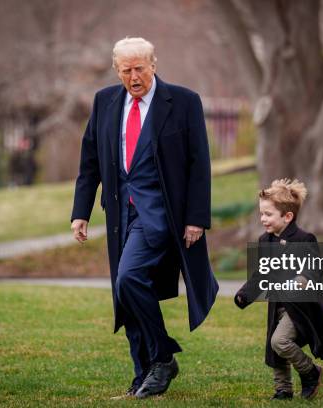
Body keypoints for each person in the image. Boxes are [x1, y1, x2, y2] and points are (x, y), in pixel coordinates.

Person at [70, 37, 218, 399]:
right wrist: (81, 212)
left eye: (139, 68)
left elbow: (199, 163)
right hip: (120, 213)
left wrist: (196, 218)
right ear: (116, 70)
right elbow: (90, 161)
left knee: (130, 278)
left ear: (153, 64)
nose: (134, 77)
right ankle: (143, 376)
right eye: (126, 70)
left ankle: (163, 358)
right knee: (126, 292)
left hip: (160, 213)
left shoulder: (183, 102)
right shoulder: (105, 102)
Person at [234, 178, 323, 401]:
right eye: (261, 214)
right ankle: (283, 389)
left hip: (301, 306)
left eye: (268, 214)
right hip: (278, 305)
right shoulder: (266, 241)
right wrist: (245, 294)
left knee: (279, 341)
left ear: (287, 216)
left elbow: (315, 268)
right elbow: (262, 273)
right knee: (274, 348)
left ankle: (310, 371)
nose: (263, 219)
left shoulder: (303, 239)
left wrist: (301, 278)